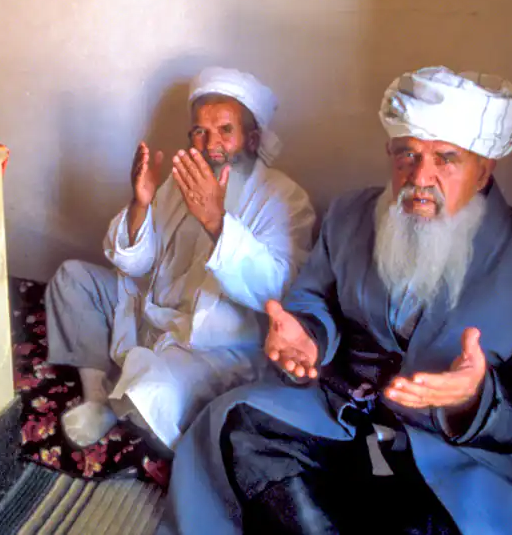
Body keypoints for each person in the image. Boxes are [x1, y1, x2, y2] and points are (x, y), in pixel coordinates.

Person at [161, 66, 512, 535]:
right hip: (338, 421)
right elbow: (315, 301)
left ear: (483, 169)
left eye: (446, 158)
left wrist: (475, 400)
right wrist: (308, 337)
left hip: (454, 457)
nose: (420, 177)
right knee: (234, 425)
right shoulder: (352, 216)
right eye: (407, 154)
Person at [45, 67, 316, 452]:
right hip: (148, 313)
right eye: (200, 132)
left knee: (154, 393)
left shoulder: (285, 198)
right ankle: (96, 397)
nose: (210, 144)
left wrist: (214, 221)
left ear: (252, 139)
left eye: (225, 130)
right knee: (72, 278)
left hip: (210, 346)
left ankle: (128, 398)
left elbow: (278, 290)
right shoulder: (178, 183)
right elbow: (135, 264)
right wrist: (139, 204)